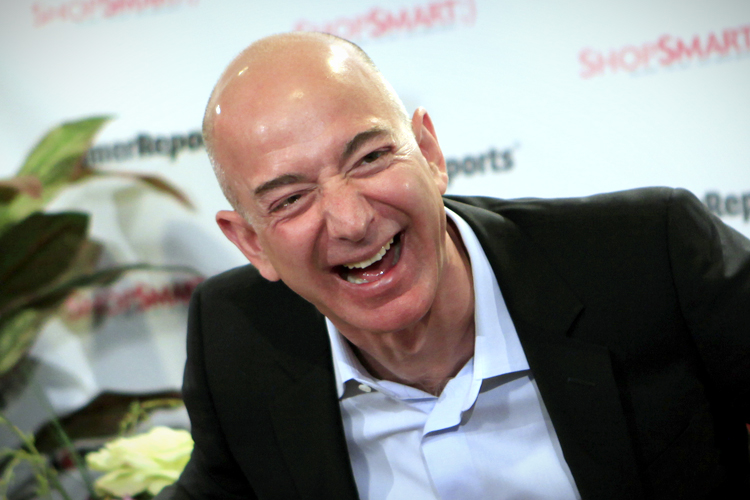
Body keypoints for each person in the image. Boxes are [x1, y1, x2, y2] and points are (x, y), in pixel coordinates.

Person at [159, 32, 750, 499]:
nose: (351, 221)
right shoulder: (236, 339)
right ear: (252, 243)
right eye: (290, 199)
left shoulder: (650, 256)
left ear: (430, 153)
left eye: (369, 158)